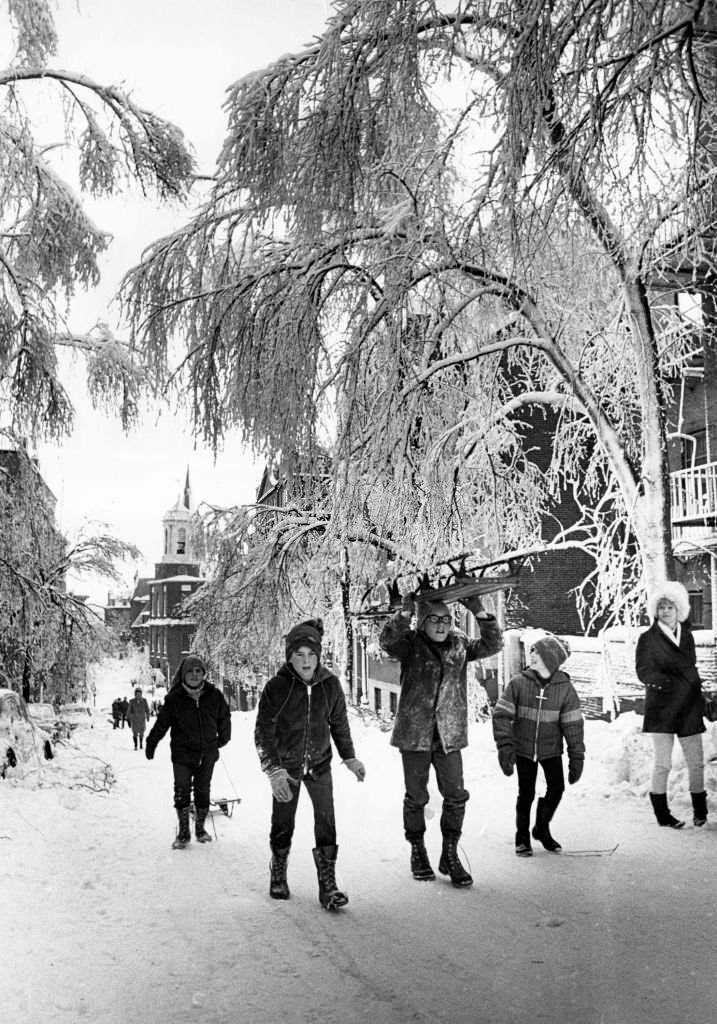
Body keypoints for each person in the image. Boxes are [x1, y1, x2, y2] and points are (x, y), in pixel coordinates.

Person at [379, 590, 502, 887]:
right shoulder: (410, 645)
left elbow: (492, 644)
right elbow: (387, 642)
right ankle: (418, 851)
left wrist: (480, 612)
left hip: (448, 734)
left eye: (446, 619)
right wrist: (404, 614)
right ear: (422, 623)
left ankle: (449, 853)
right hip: (415, 734)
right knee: (417, 796)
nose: (441, 625)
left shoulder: (460, 645)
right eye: (433, 619)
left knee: (456, 795)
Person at [255, 619, 365, 909]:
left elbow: (339, 724)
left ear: (319, 656)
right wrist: (274, 770)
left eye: (311, 655)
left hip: (319, 765)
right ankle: (278, 868)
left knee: (326, 822)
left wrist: (350, 758)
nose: (306, 661)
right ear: (290, 657)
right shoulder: (277, 687)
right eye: (299, 655)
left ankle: (327, 885)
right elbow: (263, 731)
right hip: (286, 769)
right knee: (283, 822)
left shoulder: (329, 685)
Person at [492, 633, 585, 856]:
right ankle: (522, 836)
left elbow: (573, 725)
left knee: (557, 788)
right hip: (523, 748)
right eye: (532, 651)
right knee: (526, 793)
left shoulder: (565, 689)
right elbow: (502, 715)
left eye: (539, 653)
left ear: (552, 660)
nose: (532, 655)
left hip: (550, 749)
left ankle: (541, 828)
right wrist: (505, 745)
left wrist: (577, 756)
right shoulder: (518, 684)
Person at [635, 580, 707, 829]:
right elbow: (644, 671)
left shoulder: (686, 636)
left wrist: (695, 688)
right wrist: (670, 683)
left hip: (688, 706)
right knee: (663, 763)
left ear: (680, 610)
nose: (665, 611)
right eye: (661, 607)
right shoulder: (647, 638)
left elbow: (690, 667)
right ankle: (662, 814)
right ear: (656, 611)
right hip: (662, 707)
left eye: (670, 607)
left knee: (696, 762)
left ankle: (700, 811)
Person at [145, 655, 232, 848]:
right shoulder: (175, 698)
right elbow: (162, 723)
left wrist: (223, 738)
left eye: (198, 671)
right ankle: (184, 832)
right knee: (181, 790)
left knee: (203, 791)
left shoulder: (214, 695)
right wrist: (152, 742)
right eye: (190, 671)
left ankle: (200, 829)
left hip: (207, 753)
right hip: (182, 754)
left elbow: (224, 717)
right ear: (184, 674)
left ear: (203, 674)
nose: (194, 675)